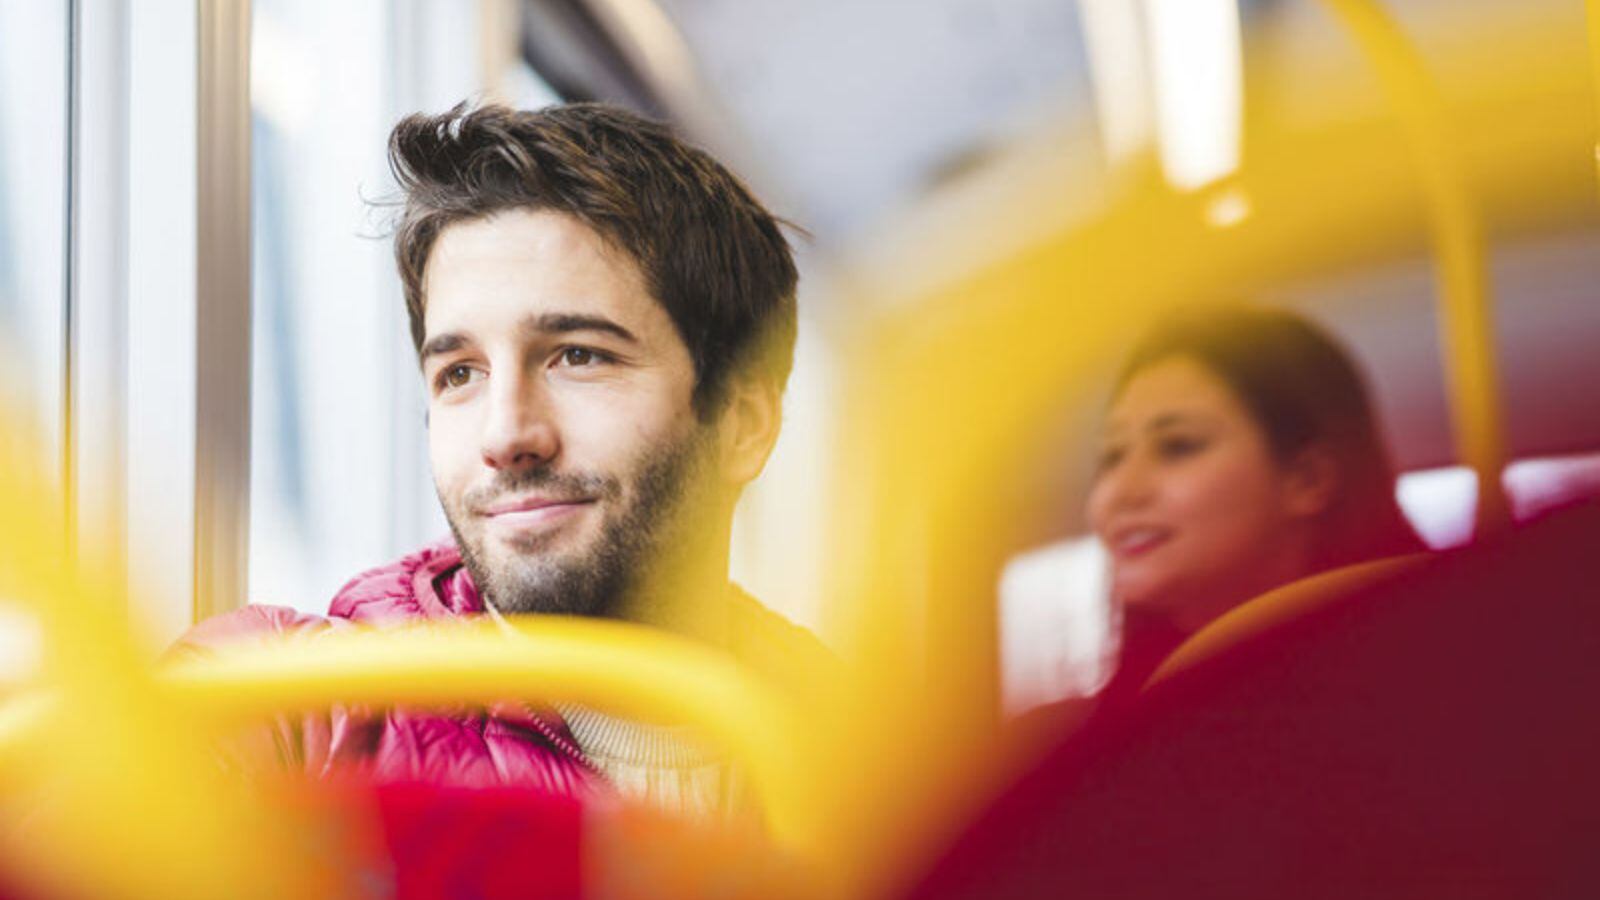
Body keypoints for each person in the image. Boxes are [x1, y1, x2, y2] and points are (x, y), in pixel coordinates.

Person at [176, 102, 825, 821]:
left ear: (743, 423)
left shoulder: (874, 759)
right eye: (460, 373)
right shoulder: (278, 706)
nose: (506, 433)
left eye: (578, 356)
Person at [1082, 304, 1424, 709]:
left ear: (1307, 479)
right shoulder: (1130, 715)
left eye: (1178, 446)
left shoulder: (1433, 675)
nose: (1121, 491)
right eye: (1112, 455)